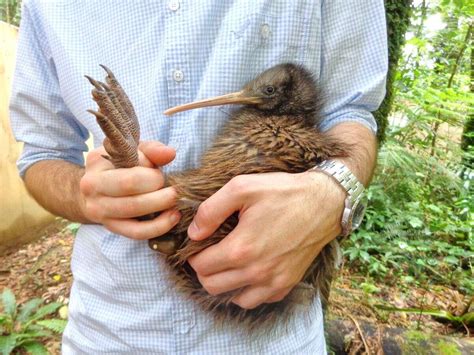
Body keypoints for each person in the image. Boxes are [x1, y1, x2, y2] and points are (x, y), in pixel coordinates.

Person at [10, 0, 387, 353]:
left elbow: (350, 109)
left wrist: (331, 190)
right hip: (111, 331)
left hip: (275, 334)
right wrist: (87, 196)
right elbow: (44, 154)